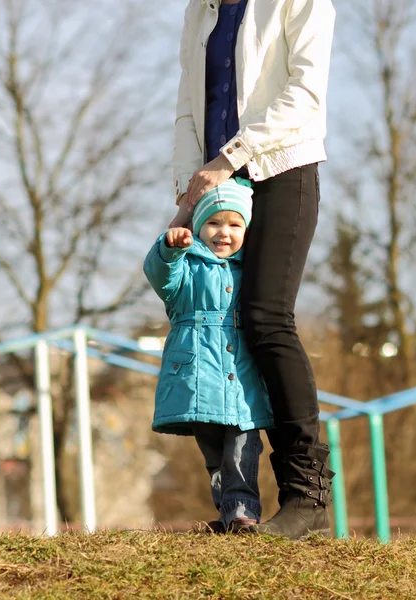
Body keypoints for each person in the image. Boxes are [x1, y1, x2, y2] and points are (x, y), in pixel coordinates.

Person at [168, 0, 336, 539]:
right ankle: (238, 506)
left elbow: (305, 97)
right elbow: (189, 110)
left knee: (266, 317)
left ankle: (307, 497)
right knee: (222, 327)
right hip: (219, 186)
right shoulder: (201, 11)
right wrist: (185, 192)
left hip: (281, 167)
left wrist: (227, 159)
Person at [144, 179, 274, 533]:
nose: (224, 233)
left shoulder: (253, 268)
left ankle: (243, 510)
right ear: (199, 226)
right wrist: (169, 249)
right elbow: (161, 277)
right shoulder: (188, 265)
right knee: (215, 453)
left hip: (240, 374)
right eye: (214, 223)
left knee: (243, 447)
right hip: (197, 376)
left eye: (235, 224)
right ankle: (230, 511)